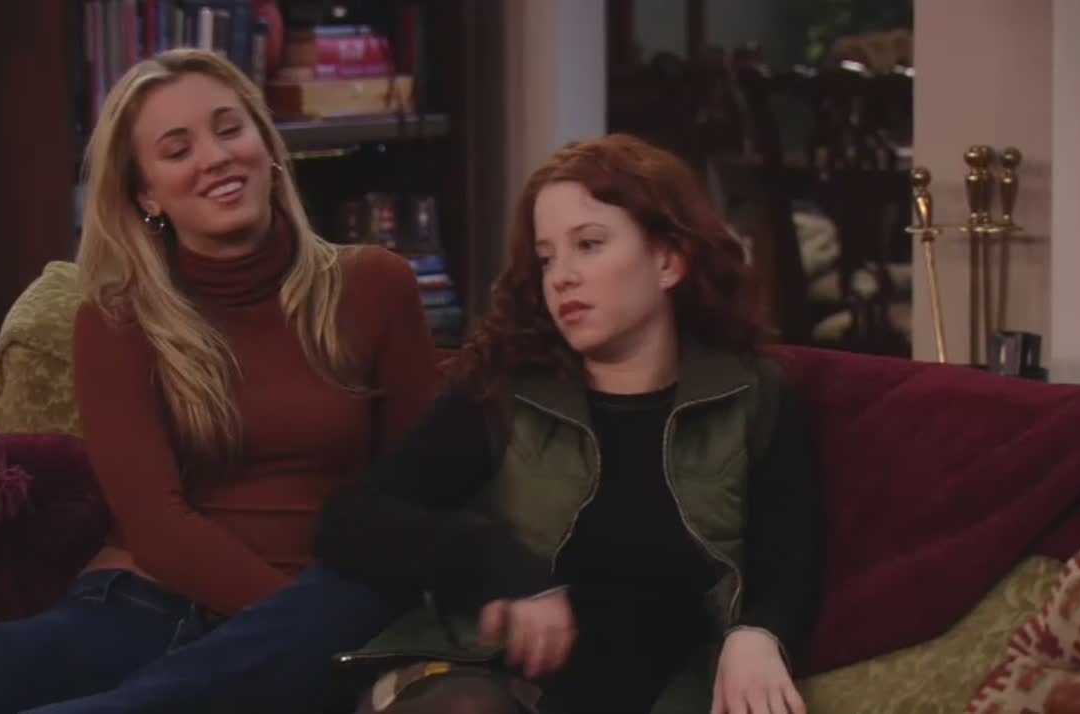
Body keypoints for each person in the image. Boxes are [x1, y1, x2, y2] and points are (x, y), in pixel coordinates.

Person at [0, 48, 439, 714]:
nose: (215, 158)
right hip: (149, 606)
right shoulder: (117, 319)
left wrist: (321, 632)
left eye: (229, 130)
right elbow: (158, 526)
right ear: (148, 195)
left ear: (267, 147)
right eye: (178, 150)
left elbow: (420, 489)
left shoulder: (376, 286)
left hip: (322, 609)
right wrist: (297, 631)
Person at [314, 134, 825, 714]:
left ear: (668, 260)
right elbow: (350, 520)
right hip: (485, 676)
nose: (562, 277)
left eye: (588, 245)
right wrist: (496, 564)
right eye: (547, 258)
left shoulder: (752, 395)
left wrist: (759, 634)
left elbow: (792, 559)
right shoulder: (503, 390)